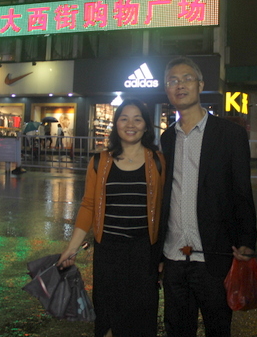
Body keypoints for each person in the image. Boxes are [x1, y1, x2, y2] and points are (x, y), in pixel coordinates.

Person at [158, 56, 257, 337]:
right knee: (177, 330)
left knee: (218, 328)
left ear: (200, 85)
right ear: (167, 90)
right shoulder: (167, 139)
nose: (180, 85)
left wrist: (246, 241)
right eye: (172, 81)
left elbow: (242, 191)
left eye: (187, 79)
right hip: (174, 257)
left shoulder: (230, 135)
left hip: (214, 257)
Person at [58, 98, 165, 337]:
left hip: (144, 254)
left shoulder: (158, 161)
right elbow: (88, 205)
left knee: (140, 319)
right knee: (108, 319)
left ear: (146, 126)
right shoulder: (100, 161)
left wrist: (163, 255)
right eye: (124, 118)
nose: (131, 124)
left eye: (137, 119)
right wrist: (72, 248)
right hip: (108, 253)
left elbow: (164, 208)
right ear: (116, 124)